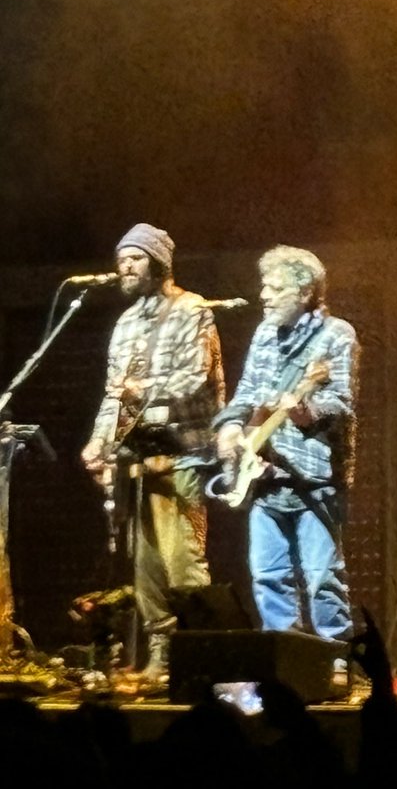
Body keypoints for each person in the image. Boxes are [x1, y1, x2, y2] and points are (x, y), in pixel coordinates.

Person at [80, 223, 225, 682]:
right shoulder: (124, 324)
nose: (125, 266)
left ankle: (200, 654)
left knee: (182, 557)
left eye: (136, 258)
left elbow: (194, 378)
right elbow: (113, 396)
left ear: (159, 263)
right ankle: (160, 655)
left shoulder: (191, 310)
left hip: (185, 451)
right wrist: (100, 443)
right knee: (144, 563)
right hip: (139, 458)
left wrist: (139, 389)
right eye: (122, 258)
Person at [212, 246, 358, 643]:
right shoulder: (263, 335)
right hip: (264, 475)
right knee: (268, 576)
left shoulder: (336, 336)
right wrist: (229, 428)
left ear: (306, 293)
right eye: (265, 286)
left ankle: (336, 659)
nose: (264, 295)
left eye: (276, 288)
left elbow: (341, 403)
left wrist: (305, 413)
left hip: (313, 477)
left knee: (322, 578)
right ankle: (285, 659)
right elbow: (245, 396)